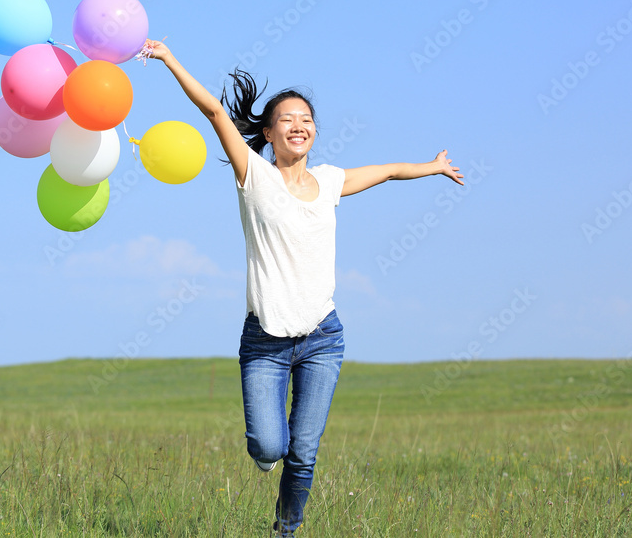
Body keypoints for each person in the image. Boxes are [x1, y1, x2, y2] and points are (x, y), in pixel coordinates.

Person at [143, 39, 464, 536]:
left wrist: (433, 167)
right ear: (268, 133)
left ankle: (284, 531)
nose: (299, 125)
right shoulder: (254, 176)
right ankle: (265, 454)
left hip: (322, 337)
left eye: (307, 119)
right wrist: (168, 59)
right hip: (265, 341)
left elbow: (388, 172)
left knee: (305, 452)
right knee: (270, 446)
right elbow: (213, 110)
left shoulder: (330, 180)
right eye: (288, 119)